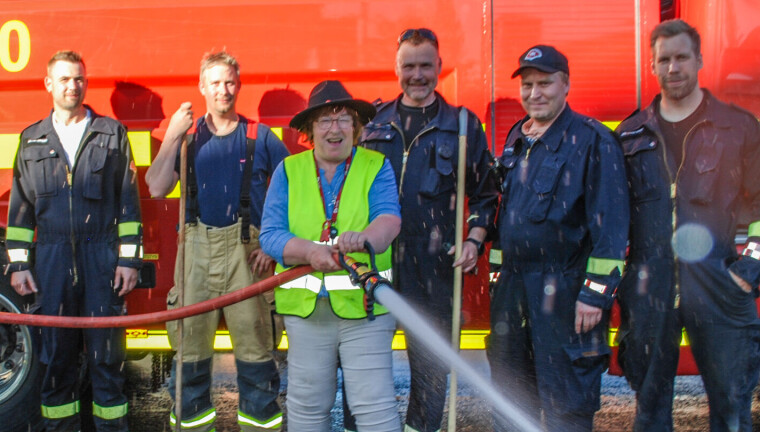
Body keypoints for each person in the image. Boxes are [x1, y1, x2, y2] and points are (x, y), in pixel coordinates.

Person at [615, 19, 760, 432]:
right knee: (650, 409)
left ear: (699, 60)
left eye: (681, 57)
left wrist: (747, 272)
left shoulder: (739, 128)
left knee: (731, 408)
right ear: (652, 66)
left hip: (721, 283)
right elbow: (611, 218)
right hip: (649, 289)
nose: (673, 67)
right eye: (664, 59)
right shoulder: (630, 134)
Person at [358, 28, 500, 432]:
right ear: (396, 68)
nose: (417, 75)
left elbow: (486, 196)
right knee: (365, 362)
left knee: (430, 370)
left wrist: (474, 239)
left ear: (439, 66)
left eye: (425, 65)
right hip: (376, 261)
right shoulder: (373, 125)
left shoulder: (461, 125)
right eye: (409, 66)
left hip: (435, 266)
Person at [486, 45, 629, 431]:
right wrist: (497, 283)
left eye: (545, 83)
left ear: (565, 84)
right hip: (514, 292)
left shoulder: (593, 140)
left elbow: (611, 228)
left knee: (567, 406)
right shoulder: (518, 139)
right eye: (528, 85)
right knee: (512, 400)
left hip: (566, 292)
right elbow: (505, 221)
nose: (535, 93)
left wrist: (595, 294)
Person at [144, 50, 288, 432]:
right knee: (189, 363)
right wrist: (173, 135)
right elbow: (157, 186)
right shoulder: (186, 138)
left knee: (257, 362)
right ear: (202, 87)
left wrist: (272, 245)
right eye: (215, 83)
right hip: (195, 253)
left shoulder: (261, 137)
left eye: (229, 82)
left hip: (248, 255)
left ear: (238, 86)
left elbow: (293, 194)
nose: (223, 90)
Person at [5, 50, 142, 432]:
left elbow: (128, 203)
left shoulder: (111, 133)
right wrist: (19, 264)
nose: (72, 85)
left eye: (79, 78)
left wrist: (129, 261)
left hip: (101, 258)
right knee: (55, 362)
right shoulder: (31, 140)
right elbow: (20, 213)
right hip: (50, 260)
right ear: (48, 84)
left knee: (106, 360)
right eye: (64, 79)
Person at [260, 80, 402, 431]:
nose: (334, 128)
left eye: (343, 119)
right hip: (308, 314)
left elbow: (389, 219)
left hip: (365, 311)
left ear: (356, 128)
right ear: (310, 130)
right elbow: (271, 235)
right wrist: (310, 251)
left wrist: (365, 238)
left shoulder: (376, 165)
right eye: (325, 120)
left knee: (375, 410)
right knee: (307, 410)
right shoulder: (288, 171)